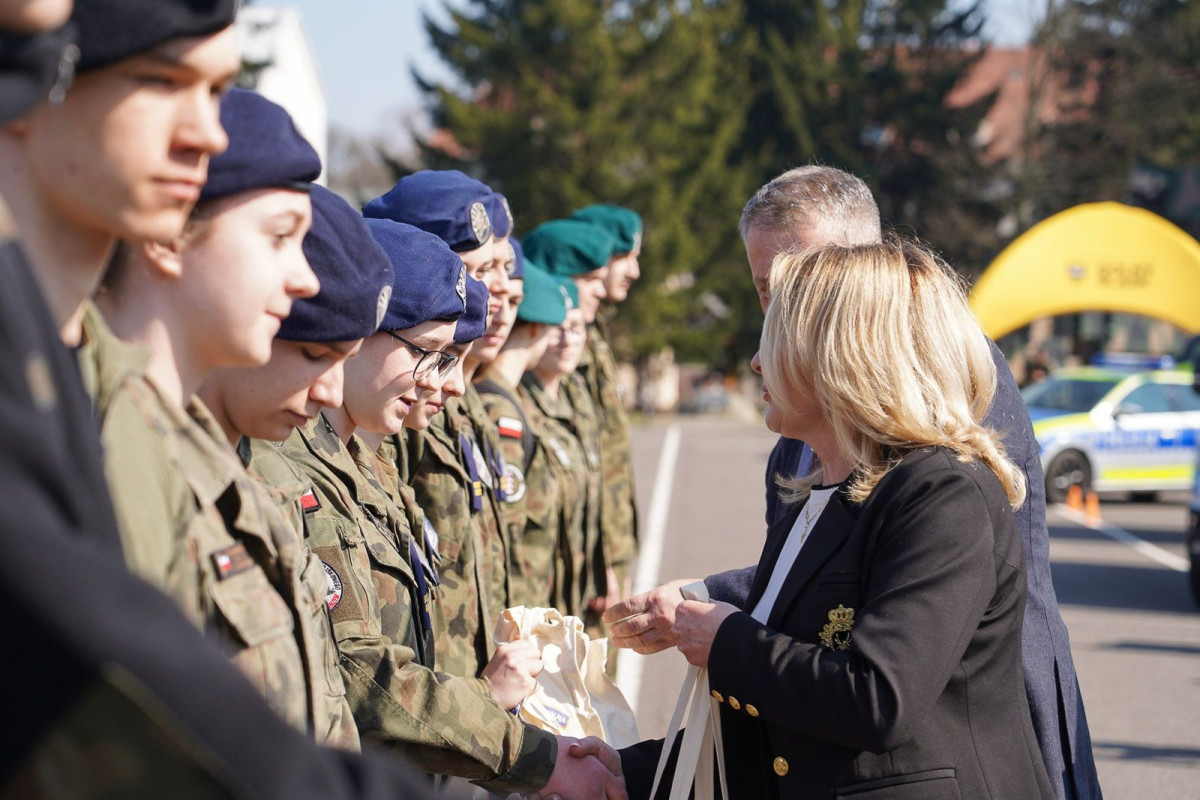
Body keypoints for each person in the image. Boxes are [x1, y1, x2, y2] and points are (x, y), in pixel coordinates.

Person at [0, 2, 435, 796]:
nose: (204, 134)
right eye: (164, 83)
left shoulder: (77, 367)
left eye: (214, 92)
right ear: (40, 81)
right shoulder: (96, 404)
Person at [603, 165, 1100, 800]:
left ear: (848, 336)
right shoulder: (807, 466)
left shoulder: (939, 473)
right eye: (767, 295)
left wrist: (725, 637)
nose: (759, 349)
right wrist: (633, 771)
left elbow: (882, 677)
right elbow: (800, 625)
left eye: (793, 305)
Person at [83, 86, 339, 742]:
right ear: (168, 237)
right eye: (280, 237)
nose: (305, 280)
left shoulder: (194, 440)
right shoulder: (117, 441)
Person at [366, 171, 513, 680]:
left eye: (497, 268)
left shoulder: (441, 388)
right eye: (475, 269)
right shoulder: (389, 402)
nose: (490, 288)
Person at [475, 252, 570, 610]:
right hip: (516, 601)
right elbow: (509, 528)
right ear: (537, 328)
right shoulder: (501, 410)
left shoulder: (508, 401)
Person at [570, 204, 643, 618]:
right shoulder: (572, 338)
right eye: (624, 257)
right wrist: (604, 566)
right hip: (587, 563)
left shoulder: (595, 333)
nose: (633, 271)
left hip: (606, 552)